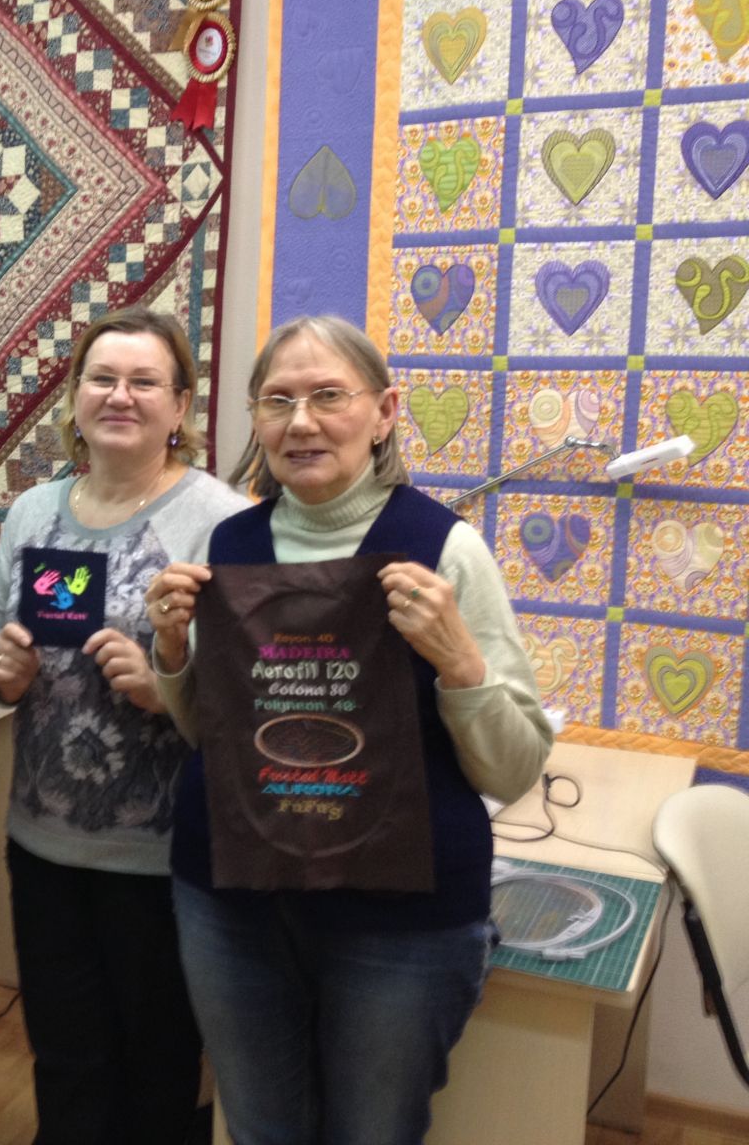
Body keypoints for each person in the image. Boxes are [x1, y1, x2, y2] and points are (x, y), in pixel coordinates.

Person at [147, 314, 553, 1145]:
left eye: (329, 396)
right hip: (234, 897)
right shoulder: (231, 543)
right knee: (261, 1127)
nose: (301, 422)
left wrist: (460, 663)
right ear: (257, 420)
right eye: (278, 401)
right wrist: (172, 651)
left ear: (384, 411)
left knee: (374, 1131)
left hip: (397, 916)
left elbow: (513, 772)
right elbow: (213, 739)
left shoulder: (444, 549)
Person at [0, 307, 248, 1144]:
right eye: (103, 378)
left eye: (144, 382)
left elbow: (253, 692)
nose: (120, 396)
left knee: (158, 1065)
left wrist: (169, 687)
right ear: (76, 397)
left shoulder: (224, 522)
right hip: (42, 842)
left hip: (162, 857)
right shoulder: (33, 512)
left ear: (181, 406)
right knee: (65, 1057)